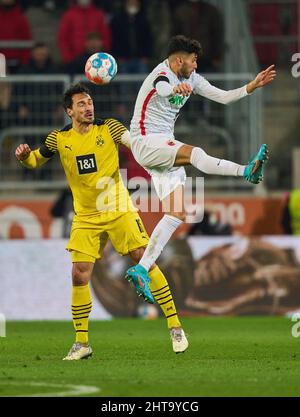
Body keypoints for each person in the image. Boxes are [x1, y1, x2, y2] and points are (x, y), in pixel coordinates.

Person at [15, 83, 188, 360]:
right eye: (81, 104)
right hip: (85, 216)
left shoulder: (110, 128)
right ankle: (82, 343)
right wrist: (24, 157)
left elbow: (137, 144)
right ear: (69, 111)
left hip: (118, 207)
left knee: (143, 258)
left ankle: (175, 326)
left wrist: (161, 152)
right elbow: (35, 161)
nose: (88, 107)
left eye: (90, 102)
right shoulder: (58, 139)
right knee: (78, 273)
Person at [125, 35, 276, 287]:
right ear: (179, 60)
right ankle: (246, 171)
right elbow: (163, 87)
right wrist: (174, 89)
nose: (196, 66)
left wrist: (251, 86)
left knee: (176, 213)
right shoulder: (161, 75)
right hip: (146, 141)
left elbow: (224, 96)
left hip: (161, 145)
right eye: (193, 61)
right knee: (195, 153)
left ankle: (141, 270)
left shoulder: (192, 78)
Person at [58, 0, 111, 65]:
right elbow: (63, 38)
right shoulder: (69, 15)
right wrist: (68, 58)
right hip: (75, 60)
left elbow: (105, 36)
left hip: (97, 60)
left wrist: (103, 56)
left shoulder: (99, 14)